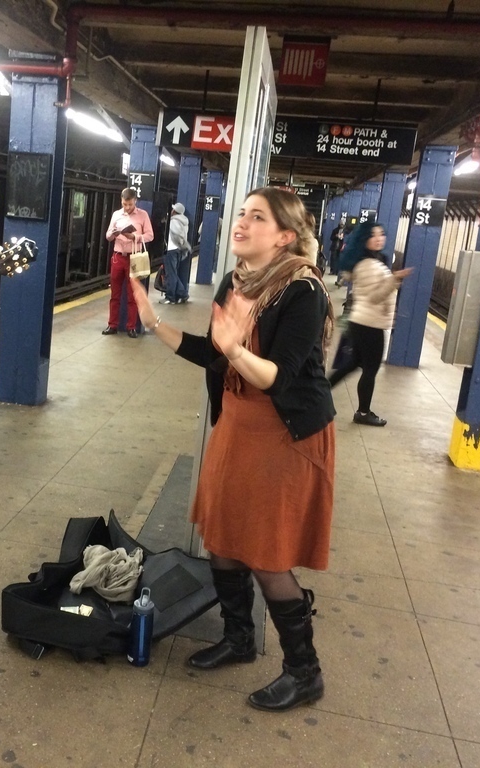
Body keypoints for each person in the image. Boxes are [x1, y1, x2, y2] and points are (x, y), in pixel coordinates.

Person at [130, 187, 336, 713]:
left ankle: (304, 672)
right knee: (221, 535)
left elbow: (275, 376)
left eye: (256, 217)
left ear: (284, 236)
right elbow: (213, 355)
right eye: (241, 213)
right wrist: (154, 322)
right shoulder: (235, 281)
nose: (240, 222)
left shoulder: (302, 291)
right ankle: (238, 638)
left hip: (284, 434)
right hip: (238, 425)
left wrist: (233, 347)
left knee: (266, 552)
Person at [327, 220, 412, 427]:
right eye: (373, 235)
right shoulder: (368, 265)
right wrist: (394, 280)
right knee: (370, 369)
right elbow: (375, 297)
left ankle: (318, 392)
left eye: (381, 234)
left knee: (352, 364)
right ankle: (363, 412)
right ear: (364, 239)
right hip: (369, 324)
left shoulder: (372, 260)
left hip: (363, 321)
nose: (379, 238)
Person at [103, 187, 154, 338]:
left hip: (134, 257)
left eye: (130, 204)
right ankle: (112, 325)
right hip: (118, 256)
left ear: (135, 201)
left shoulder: (143, 215)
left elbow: (150, 235)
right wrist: (112, 234)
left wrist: (135, 237)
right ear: (121, 201)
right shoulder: (116, 215)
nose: (127, 207)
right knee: (115, 294)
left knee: (132, 295)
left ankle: (132, 327)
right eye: (125, 204)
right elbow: (107, 236)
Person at [162, 201, 191, 305]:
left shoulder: (174, 221)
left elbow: (177, 235)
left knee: (171, 274)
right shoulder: (184, 221)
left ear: (174, 211)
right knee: (173, 273)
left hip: (171, 249)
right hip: (178, 250)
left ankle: (171, 297)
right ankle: (182, 294)